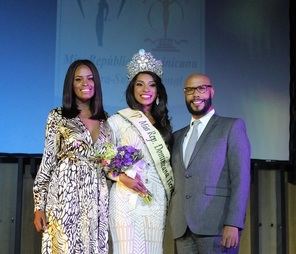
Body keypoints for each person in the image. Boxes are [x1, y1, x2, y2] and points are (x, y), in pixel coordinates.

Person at [33, 59, 111, 254]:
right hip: (64, 199)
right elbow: (47, 162)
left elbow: (109, 163)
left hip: (96, 200)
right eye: (79, 79)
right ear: (71, 84)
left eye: (90, 78)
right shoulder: (57, 117)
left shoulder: (107, 121)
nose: (85, 83)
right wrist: (38, 206)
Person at [169, 73, 251, 254]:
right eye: (189, 90)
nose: (195, 95)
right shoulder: (177, 136)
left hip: (217, 227)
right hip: (183, 228)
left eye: (201, 88)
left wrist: (233, 223)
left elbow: (241, 178)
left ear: (211, 91)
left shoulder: (231, 127)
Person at [107, 49, 174, 254]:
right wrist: (123, 179)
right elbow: (104, 159)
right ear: (132, 89)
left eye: (152, 84)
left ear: (158, 91)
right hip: (126, 196)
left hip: (155, 197)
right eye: (140, 84)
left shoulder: (164, 125)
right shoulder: (117, 121)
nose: (146, 89)